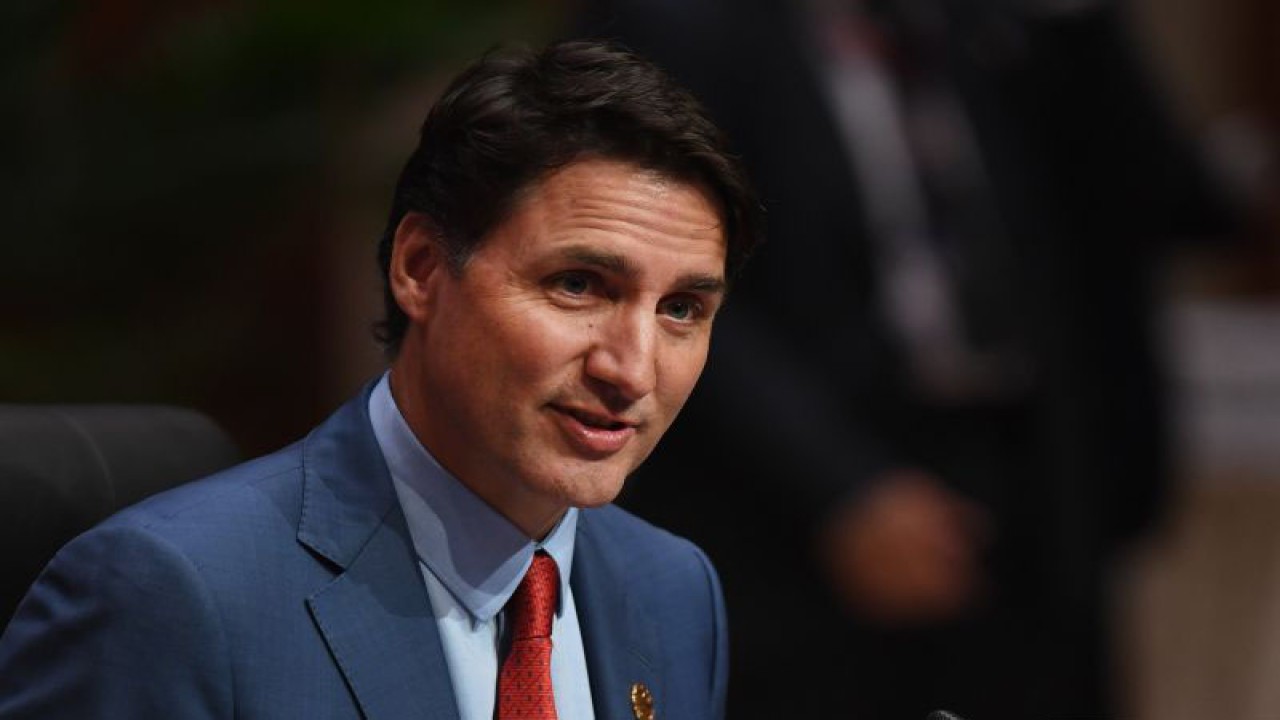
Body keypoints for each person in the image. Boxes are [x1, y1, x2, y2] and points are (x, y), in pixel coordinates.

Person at [0, 39, 760, 720]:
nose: (631, 369)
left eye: (683, 309)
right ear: (421, 268)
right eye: (578, 285)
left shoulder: (674, 588)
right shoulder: (168, 598)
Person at [577, 1, 1232, 718]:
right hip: (797, 509)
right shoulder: (680, 25)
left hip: (1030, 487)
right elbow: (665, 290)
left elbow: (1173, 205)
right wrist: (841, 490)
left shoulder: (994, 27)